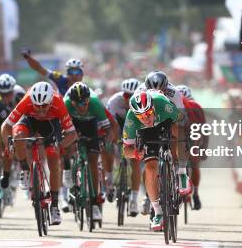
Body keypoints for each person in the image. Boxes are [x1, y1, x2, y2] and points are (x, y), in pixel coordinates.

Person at [0, 81, 78, 225]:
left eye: (44, 106)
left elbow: (72, 134)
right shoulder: (27, 100)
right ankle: (25, 169)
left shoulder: (58, 102)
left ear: (50, 101)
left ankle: (54, 206)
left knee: (54, 159)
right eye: (37, 106)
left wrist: (59, 146)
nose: (41, 110)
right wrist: (9, 145)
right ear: (32, 101)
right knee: (18, 136)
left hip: (50, 124)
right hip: (29, 120)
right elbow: (6, 126)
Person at [122, 89, 180, 231]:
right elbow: (126, 150)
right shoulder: (131, 119)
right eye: (141, 116)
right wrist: (136, 154)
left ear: (153, 107)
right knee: (150, 168)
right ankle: (158, 212)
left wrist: (179, 144)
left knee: (175, 131)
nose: (146, 119)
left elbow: (182, 121)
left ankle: (179, 169)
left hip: (164, 122)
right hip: (146, 133)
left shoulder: (163, 104)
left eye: (148, 114)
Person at [64, 82, 112, 222]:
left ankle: (94, 201)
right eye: (77, 104)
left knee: (92, 160)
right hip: (73, 124)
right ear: (72, 102)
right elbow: (61, 129)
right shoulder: (65, 104)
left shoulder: (95, 104)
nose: (82, 107)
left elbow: (108, 130)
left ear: (89, 100)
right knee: (68, 144)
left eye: (85, 103)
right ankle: (67, 170)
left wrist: (105, 143)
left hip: (91, 125)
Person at [140, 71, 190, 196]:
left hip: (169, 117)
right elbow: (135, 115)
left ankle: (181, 172)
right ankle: (149, 195)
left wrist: (181, 137)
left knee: (178, 130)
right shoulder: (140, 91)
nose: (157, 93)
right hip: (149, 118)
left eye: (161, 90)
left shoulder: (174, 93)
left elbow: (182, 117)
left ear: (166, 87)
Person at [107, 78, 142, 216]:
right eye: (126, 96)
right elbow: (110, 125)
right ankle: (110, 179)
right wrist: (113, 140)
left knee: (135, 161)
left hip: (136, 128)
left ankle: (133, 199)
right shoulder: (114, 102)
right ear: (123, 94)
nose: (129, 99)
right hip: (119, 127)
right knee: (110, 148)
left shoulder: (143, 102)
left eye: (133, 96)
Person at [177, 85, 207, 210]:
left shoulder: (194, 106)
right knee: (195, 163)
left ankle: (192, 193)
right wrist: (203, 148)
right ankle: (196, 193)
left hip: (186, 133)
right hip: (190, 133)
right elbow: (205, 130)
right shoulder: (195, 105)